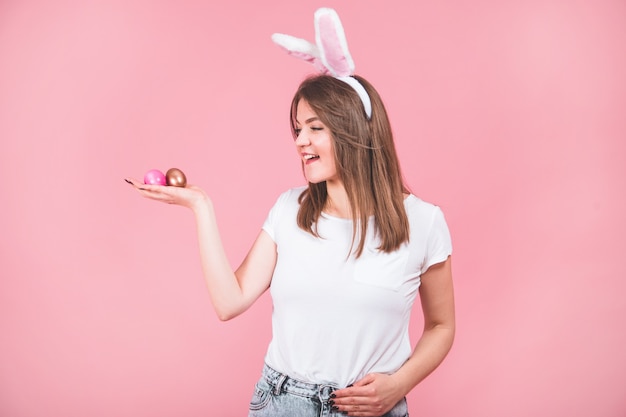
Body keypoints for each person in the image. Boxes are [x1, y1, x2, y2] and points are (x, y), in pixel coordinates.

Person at [126, 9, 454, 417]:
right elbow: (229, 303)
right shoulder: (289, 210)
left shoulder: (422, 222)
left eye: (315, 127)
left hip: (371, 409)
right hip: (282, 403)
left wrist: (399, 384)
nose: (301, 140)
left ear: (355, 130)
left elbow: (441, 326)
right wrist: (201, 207)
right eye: (297, 128)